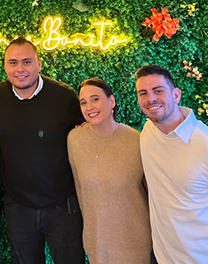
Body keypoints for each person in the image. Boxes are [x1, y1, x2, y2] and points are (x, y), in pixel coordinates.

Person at [0, 37, 85, 264]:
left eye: (27, 62)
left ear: (39, 63)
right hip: (19, 207)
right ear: (5, 66)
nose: (20, 69)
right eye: (13, 63)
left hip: (62, 206)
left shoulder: (63, 97)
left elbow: (90, 129)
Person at [67, 78, 151, 264]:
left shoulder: (136, 140)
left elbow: (151, 193)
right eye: (83, 102)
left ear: (111, 101)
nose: (89, 107)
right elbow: (81, 192)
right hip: (96, 241)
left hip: (134, 240)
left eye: (95, 99)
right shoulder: (74, 139)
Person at [136, 64, 208, 264]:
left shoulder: (204, 144)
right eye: (143, 93)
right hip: (161, 256)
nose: (150, 99)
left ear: (176, 95)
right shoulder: (148, 130)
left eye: (158, 91)